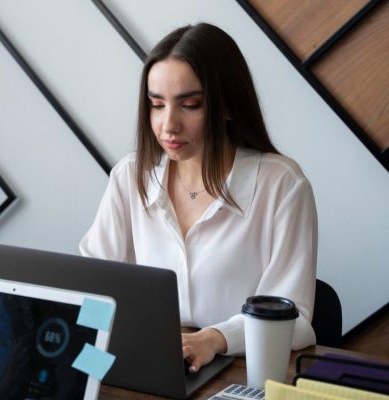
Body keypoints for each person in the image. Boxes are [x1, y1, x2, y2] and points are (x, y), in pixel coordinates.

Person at [79, 23, 317, 372]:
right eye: (157, 105)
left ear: (229, 106)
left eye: (189, 105)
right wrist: (87, 369)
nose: (167, 125)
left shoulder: (281, 185)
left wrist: (215, 338)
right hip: (148, 363)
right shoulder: (130, 177)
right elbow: (92, 287)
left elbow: (294, 318)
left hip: (238, 371)